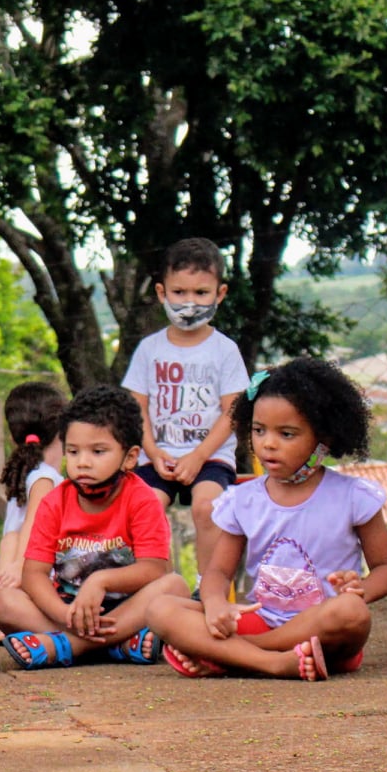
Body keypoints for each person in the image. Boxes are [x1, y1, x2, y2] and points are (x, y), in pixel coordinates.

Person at [148, 358, 387, 680]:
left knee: (351, 612)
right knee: (160, 609)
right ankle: (275, 663)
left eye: (287, 433)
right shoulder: (242, 500)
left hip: (326, 629)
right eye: (258, 430)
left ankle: (233, 655)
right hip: (263, 617)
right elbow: (218, 571)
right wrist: (214, 605)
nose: (268, 443)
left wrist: (360, 589)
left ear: (324, 437)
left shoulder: (353, 496)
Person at [0, 385, 189, 669]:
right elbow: (33, 574)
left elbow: (154, 568)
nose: (82, 462)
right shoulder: (54, 502)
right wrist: (64, 614)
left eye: (98, 451)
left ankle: (67, 646)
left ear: (130, 457)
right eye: (73, 451)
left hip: (128, 608)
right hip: (69, 610)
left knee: (175, 586)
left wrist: (101, 581)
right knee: (4, 602)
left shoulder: (142, 499)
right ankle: (116, 644)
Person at [121, 237, 250, 583]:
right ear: (162, 293)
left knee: (206, 507)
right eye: (179, 293)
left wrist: (198, 456)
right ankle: (159, 588)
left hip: (210, 457)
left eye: (200, 293)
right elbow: (137, 407)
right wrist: (152, 450)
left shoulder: (224, 350)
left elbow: (234, 411)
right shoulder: (149, 349)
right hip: (157, 455)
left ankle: (209, 588)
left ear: (220, 294)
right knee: (144, 508)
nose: (189, 303)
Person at [0, 381, 66, 646]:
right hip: (22, 578)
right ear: (65, 431)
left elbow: (10, 536)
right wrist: (21, 566)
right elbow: (34, 524)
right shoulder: (46, 479)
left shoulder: (25, 474)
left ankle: (16, 627)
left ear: (12, 437)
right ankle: (73, 636)